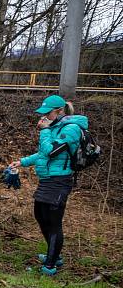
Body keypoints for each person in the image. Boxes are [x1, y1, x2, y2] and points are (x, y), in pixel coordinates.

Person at [10, 94, 88, 275]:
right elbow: (42, 154)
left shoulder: (72, 129)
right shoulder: (55, 127)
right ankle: (54, 255)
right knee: (40, 215)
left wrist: (44, 130)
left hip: (59, 181)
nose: (44, 117)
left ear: (60, 111)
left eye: (48, 113)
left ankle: (50, 265)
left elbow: (52, 151)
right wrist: (22, 162)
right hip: (47, 180)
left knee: (53, 223)